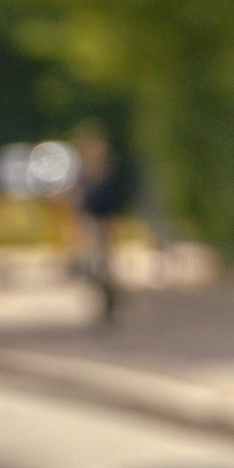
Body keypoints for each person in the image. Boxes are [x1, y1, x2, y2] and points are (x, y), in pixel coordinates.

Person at [68, 120, 136, 321]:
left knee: (103, 261)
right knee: (96, 261)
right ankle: (105, 300)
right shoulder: (87, 170)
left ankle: (109, 300)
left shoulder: (105, 169)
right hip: (92, 218)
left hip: (104, 219)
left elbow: (113, 195)